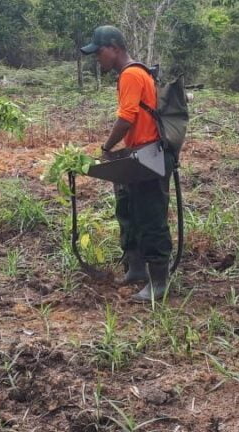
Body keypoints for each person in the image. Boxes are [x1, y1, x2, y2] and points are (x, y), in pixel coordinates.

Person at [80, 25, 174, 302]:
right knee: (130, 209)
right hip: (139, 153)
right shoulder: (133, 73)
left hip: (149, 155)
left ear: (114, 48)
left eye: (100, 52)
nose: (98, 58)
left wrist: (107, 147)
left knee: (151, 217)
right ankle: (136, 269)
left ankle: (159, 282)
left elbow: (127, 118)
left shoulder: (131, 74)